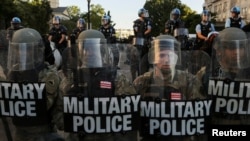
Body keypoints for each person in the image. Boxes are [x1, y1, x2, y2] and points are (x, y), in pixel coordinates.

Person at [59, 29, 139, 141]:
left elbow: (128, 114)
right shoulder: (70, 81)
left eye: (94, 48)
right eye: (86, 48)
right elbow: (59, 115)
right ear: (79, 51)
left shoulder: (116, 78)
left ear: (102, 51)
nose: (90, 52)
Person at [133, 34, 209, 141]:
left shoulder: (189, 80)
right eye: (162, 55)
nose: (167, 60)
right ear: (153, 57)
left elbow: (199, 116)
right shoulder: (142, 81)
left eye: (171, 55)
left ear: (176, 57)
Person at [5, 28, 64, 141]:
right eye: (18, 49)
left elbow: (43, 106)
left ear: (37, 50)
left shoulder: (48, 74)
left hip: (43, 134)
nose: (22, 53)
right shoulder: (13, 72)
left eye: (27, 49)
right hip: (19, 133)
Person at [207, 27, 250, 134]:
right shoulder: (207, 74)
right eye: (231, 48)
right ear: (220, 50)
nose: (237, 52)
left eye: (240, 47)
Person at [133, 8, 152, 75]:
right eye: (144, 13)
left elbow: (149, 30)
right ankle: (139, 74)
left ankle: (145, 73)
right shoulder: (136, 22)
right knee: (138, 58)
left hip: (146, 41)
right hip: (138, 42)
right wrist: (140, 34)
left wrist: (143, 34)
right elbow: (136, 30)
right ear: (141, 14)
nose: (146, 14)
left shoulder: (148, 21)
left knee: (146, 57)